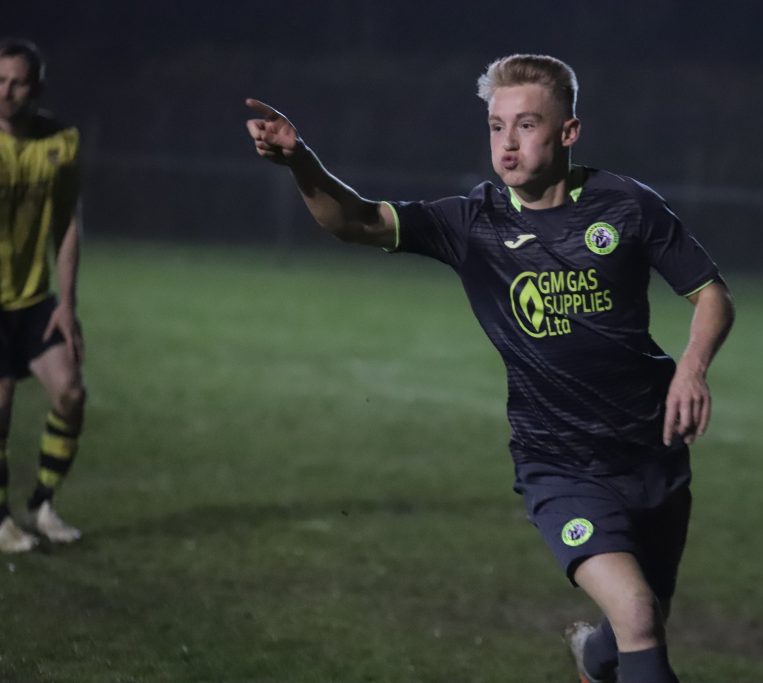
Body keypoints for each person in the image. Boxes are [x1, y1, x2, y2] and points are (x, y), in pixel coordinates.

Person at [245, 53, 734, 683]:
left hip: (653, 455)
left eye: (526, 125)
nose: (507, 144)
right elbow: (358, 220)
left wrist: (693, 368)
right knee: (638, 614)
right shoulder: (472, 223)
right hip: (559, 464)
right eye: (497, 127)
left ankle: (592, 658)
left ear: (568, 132)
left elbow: (711, 293)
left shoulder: (626, 205)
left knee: (639, 623)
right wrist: (301, 161)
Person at [0, 38, 86, 553]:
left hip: (34, 300)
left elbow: (70, 223)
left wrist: (69, 306)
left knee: (71, 392)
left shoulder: (61, 141)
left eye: (16, 82)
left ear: (37, 87)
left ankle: (42, 505)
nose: (5, 92)